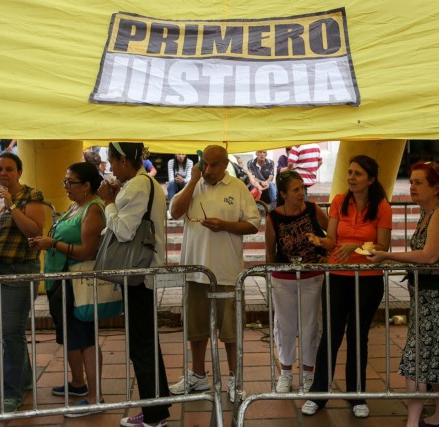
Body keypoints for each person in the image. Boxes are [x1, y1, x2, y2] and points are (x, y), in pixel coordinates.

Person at [369, 161, 439, 427]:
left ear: (436, 187)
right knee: (434, 358)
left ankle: (412, 422)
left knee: (417, 360)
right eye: (411, 182)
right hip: (429, 297)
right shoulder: (429, 212)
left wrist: (387, 255)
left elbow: (429, 256)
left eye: (419, 182)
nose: (412, 187)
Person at [168, 145, 261, 403]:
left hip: (226, 271)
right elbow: (175, 212)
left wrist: (225, 226)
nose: (208, 169)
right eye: (204, 164)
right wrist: (193, 181)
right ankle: (198, 376)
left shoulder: (238, 188)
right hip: (195, 270)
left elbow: (253, 224)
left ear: (225, 165)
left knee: (231, 331)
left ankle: (235, 379)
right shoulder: (194, 184)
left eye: (213, 165)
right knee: (196, 329)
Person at [303, 155, 392, 419]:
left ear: (371, 179)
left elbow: (383, 247)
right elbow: (332, 240)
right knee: (330, 334)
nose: (351, 177)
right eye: (350, 172)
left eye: (358, 174)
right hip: (337, 276)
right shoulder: (340, 201)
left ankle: (356, 396)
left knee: (357, 336)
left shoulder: (383, 207)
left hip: (368, 278)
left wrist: (356, 246)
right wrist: (320, 242)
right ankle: (318, 394)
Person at [97, 142, 170, 427]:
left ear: (125, 161)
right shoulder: (143, 184)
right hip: (143, 272)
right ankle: (156, 408)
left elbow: (125, 230)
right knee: (146, 343)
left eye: (112, 161)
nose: (111, 168)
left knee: (142, 346)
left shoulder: (139, 186)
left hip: (139, 274)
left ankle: (153, 415)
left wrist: (109, 204)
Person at [29, 162, 106, 417]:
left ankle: (96, 397)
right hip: (60, 281)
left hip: (76, 283)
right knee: (72, 337)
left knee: (85, 338)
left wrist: (53, 244)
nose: (65, 187)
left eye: (70, 182)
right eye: (65, 182)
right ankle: (78, 384)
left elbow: (87, 251)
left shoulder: (93, 209)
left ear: (86, 185)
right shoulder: (77, 206)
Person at [0, 152, 46, 412]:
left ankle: (12, 393)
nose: (3, 174)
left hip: (19, 270)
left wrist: (11, 206)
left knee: (10, 333)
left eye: (9, 169)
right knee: (9, 331)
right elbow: (1, 229)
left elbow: (34, 230)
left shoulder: (31, 196)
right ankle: (23, 379)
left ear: (19, 172)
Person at [265, 170, 330, 393]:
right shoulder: (273, 217)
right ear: (283, 194)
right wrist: (271, 276)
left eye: (302, 188)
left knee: (311, 326)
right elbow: (270, 251)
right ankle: (285, 373)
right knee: (285, 326)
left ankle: (308, 374)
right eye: (295, 189)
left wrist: (326, 254)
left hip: (312, 276)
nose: (301, 193)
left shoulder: (313, 210)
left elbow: (333, 235)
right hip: (283, 279)